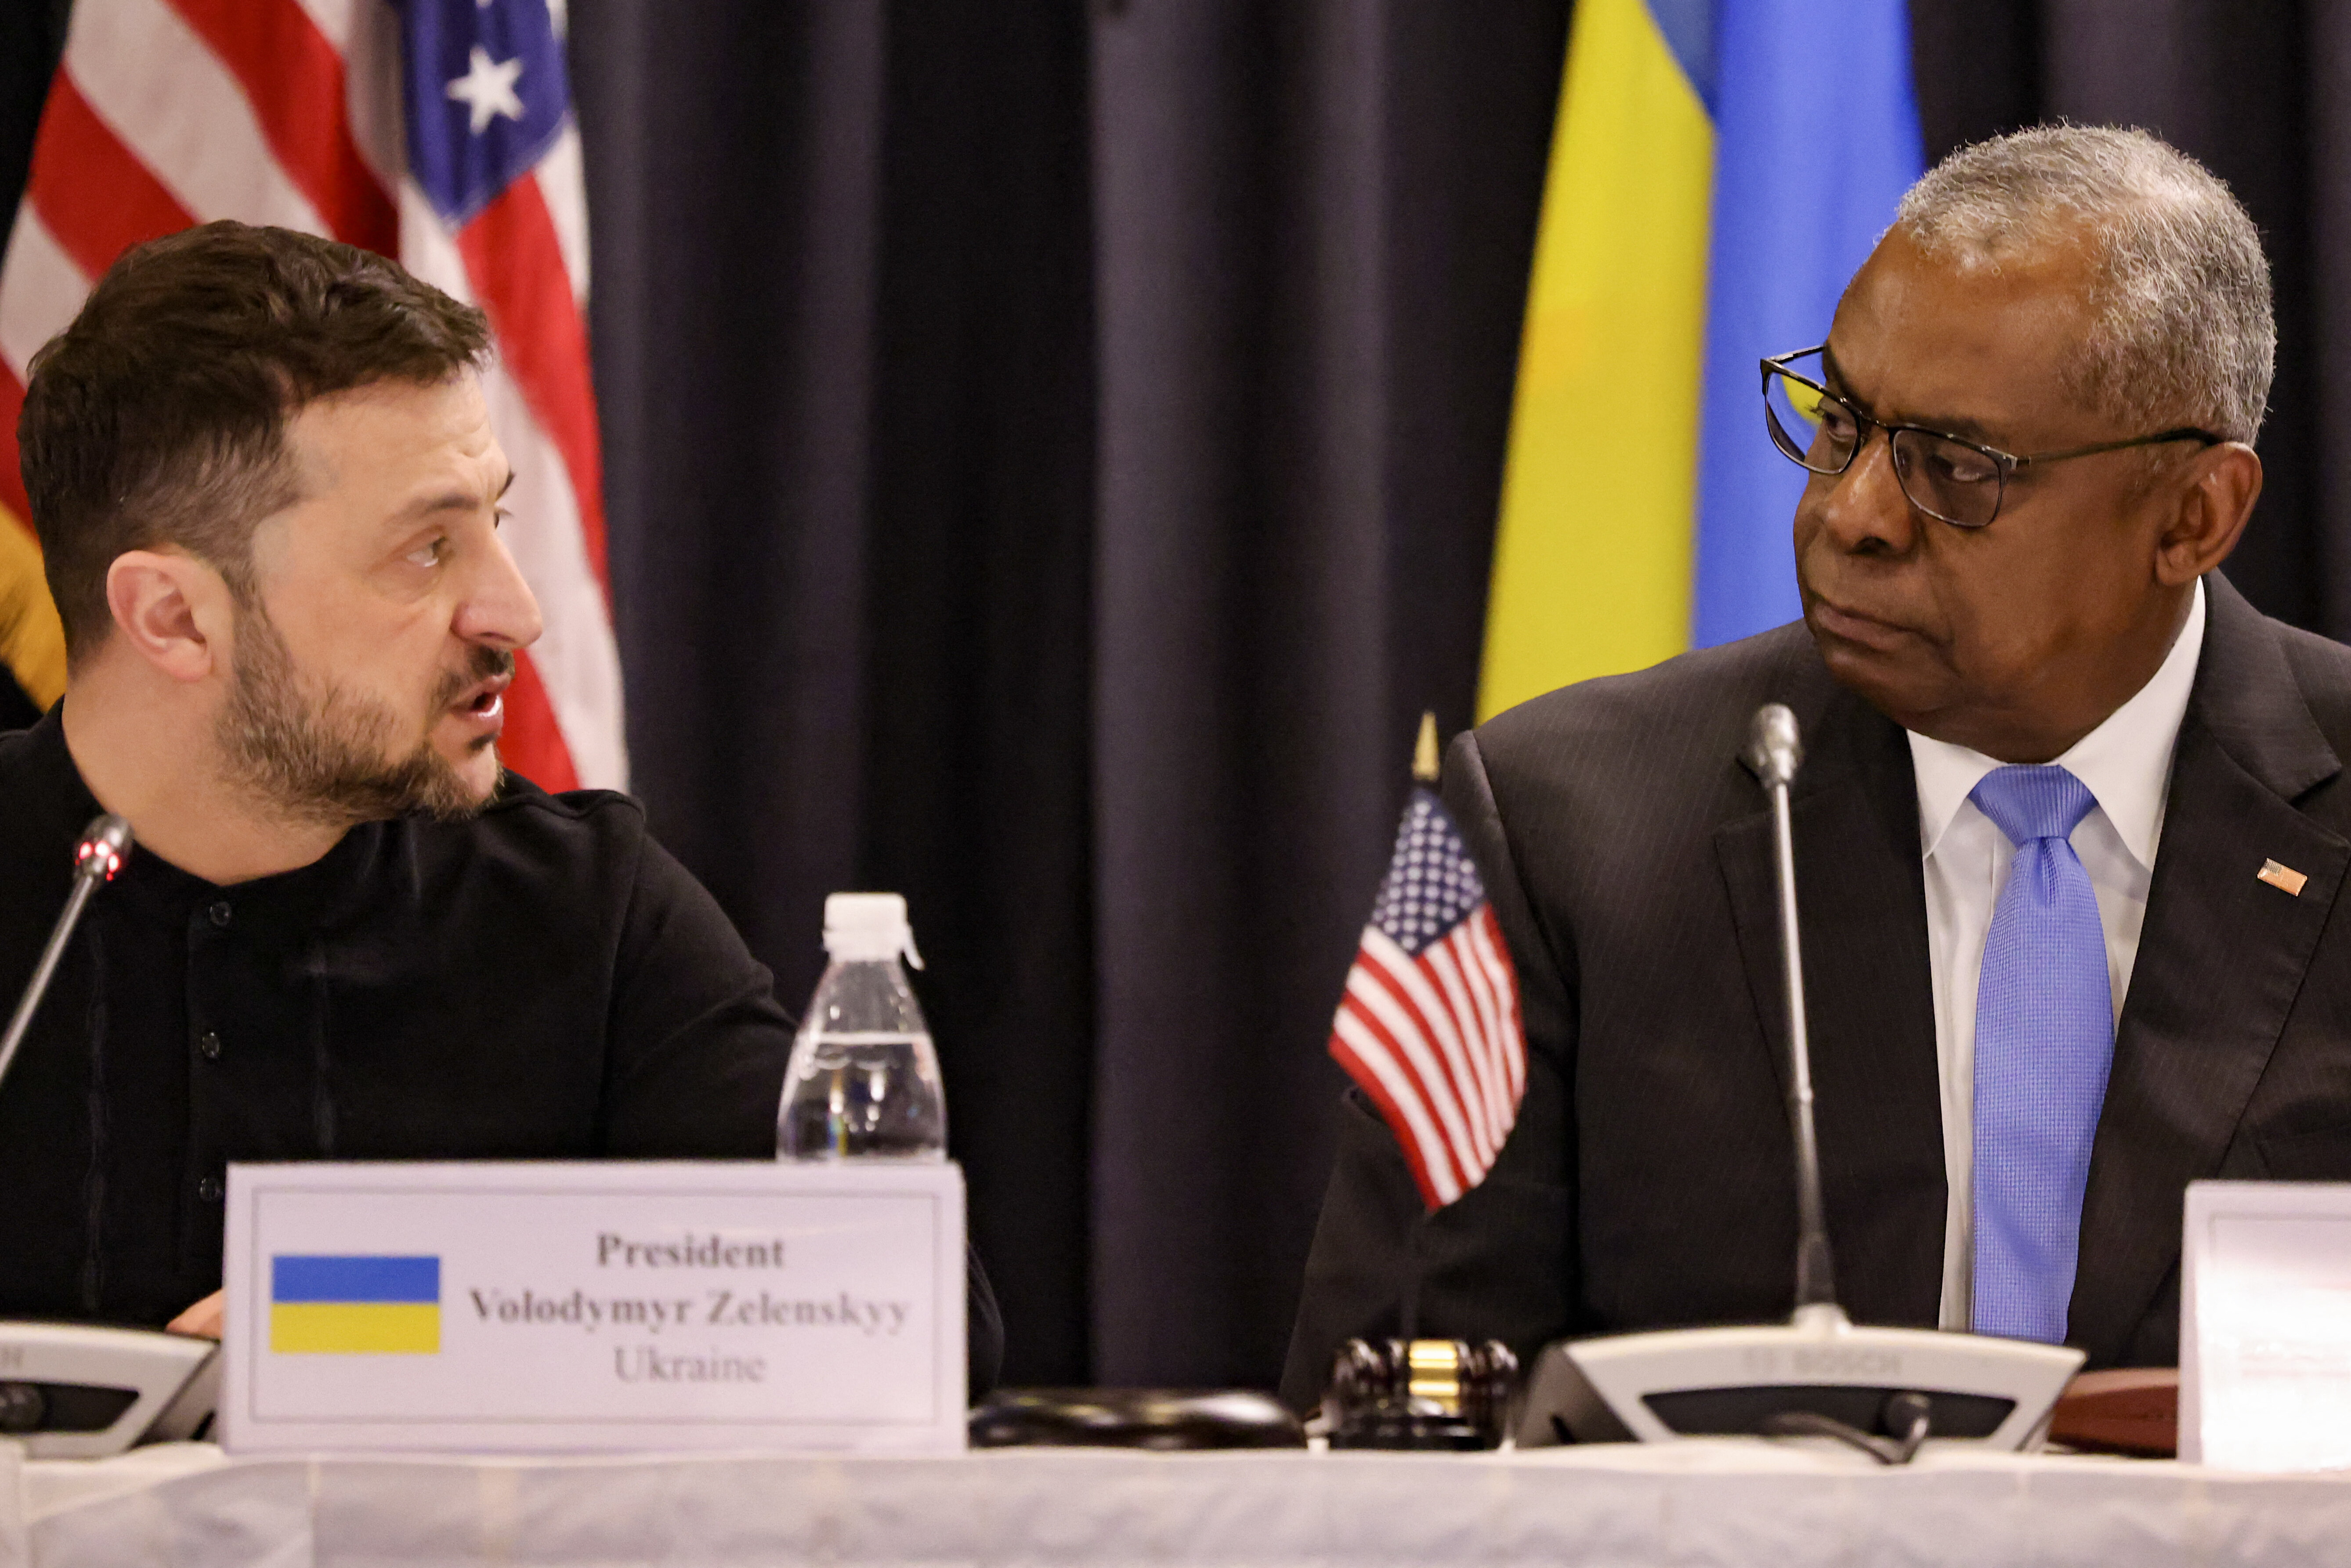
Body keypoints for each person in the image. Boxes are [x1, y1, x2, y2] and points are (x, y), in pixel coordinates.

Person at [1283, 125, 2344, 1409]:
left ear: (2195, 516)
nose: (1850, 514)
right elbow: (1406, 1407)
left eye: (1956, 469)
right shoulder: (1569, 823)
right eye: (1840, 421)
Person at [0, 221, 1000, 1391]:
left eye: (496, 523)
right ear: (173, 618)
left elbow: (909, 1317)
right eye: (427, 549)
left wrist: (367, 1312)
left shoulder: (584, 910)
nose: (515, 611)